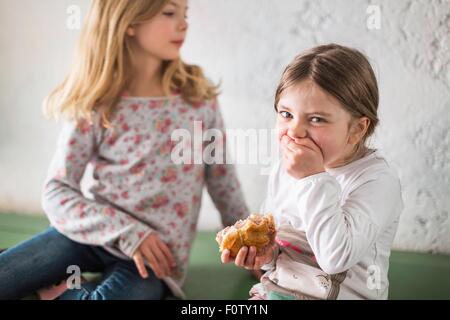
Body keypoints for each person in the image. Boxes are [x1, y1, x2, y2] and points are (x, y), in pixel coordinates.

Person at [0, 0, 249, 300]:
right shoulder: (99, 102)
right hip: (90, 237)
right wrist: (130, 232)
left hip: (153, 259)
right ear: (129, 22)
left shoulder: (197, 96)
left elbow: (222, 180)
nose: (184, 24)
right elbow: (56, 191)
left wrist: (248, 243)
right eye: (170, 13)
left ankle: (55, 291)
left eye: (186, 14)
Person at [221, 44, 403, 300]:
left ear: (358, 129)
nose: (294, 131)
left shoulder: (376, 181)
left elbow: (335, 258)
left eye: (316, 119)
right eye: (286, 114)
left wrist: (311, 178)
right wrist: (268, 255)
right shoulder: (283, 169)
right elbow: (285, 247)